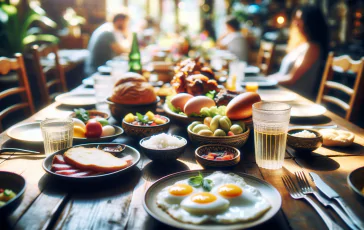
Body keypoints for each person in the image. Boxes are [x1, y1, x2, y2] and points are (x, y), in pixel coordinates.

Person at [267, 5, 329, 100]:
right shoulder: (303, 45)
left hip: (295, 98)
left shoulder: (313, 47)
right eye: (295, 19)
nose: (295, 23)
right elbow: (282, 74)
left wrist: (267, 80)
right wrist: (266, 79)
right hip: (282, 94)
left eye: (300, 19)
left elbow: (291, 79)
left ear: (310, 23)